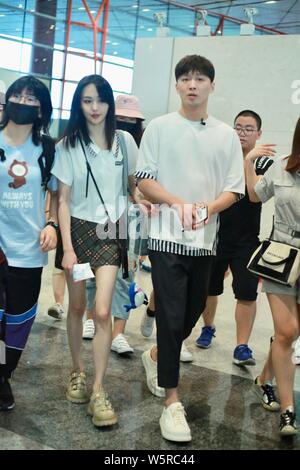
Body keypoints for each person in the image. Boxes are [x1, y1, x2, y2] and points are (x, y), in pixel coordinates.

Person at [135, 54, 245, 442]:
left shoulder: (225, 134)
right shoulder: (160, 128)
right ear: (177, 86)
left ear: (212, 86)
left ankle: (155, 357)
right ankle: (171, 401)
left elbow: (235, 188)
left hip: (205, 238)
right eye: (185, 78)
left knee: (195, 308)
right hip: (165, 236)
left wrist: (206, 209)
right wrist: (178, 204)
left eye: (200, 78)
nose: (193, 84)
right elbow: (145, 178)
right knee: (169, 312)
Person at [52, 75, 139, 428]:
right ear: (79, 104)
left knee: (102, 309)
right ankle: (78, 370)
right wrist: (68, 248)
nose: (94, 107)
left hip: (111, 230)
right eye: (87, 101)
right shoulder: (68, 144)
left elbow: (134, 188)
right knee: (76, 306)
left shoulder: (125, 141)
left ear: (109, 103)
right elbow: (63, 200)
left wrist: (142, 209)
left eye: (100, 100)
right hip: (77, 228)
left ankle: (100, 389)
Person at [196, 110, 273, 366]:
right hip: (216, 235)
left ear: (259, 134)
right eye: (238, 127)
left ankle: (242, 346)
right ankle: (208, 327)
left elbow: (254, 195)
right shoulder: (222, 157)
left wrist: (248, 160)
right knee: (210, 288)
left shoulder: (264, 162)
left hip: (247, 240)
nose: (242, 133)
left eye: (248, 129)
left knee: (247, 293)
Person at [0, 75, 57, 411]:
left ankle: (5, 372)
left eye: (31, 98)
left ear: (41, 109)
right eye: (18, 95)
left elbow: (56, 194)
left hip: (29, 253)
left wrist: (51, 223)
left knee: (18, 322)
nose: (23, 102)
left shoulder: (48, 148)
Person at [245, 117, 300, 436]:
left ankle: (263, 378)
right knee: (288, 330)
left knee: (288, 336)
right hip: (281, 255)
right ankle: (288, 409)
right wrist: (249, 162)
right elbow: (255, 196)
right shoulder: (282, 166)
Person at [82, 94, 145, 355]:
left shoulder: (126, 141)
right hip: (87, 216)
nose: (125, 123)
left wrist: (140, 204)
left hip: (121, 217)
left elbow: (134, 182)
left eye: (132, 120)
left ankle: (119, 333)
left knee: (123, 274)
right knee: (87, 272)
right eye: (121, 118)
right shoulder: (85, 138)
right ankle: (89, 319)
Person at [45, 192, 66, 320]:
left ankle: (89, 313)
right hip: (63, 215)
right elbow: (52, 190)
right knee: (59, 263)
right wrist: (48, 214)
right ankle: (58, 304)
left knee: (85, 269)